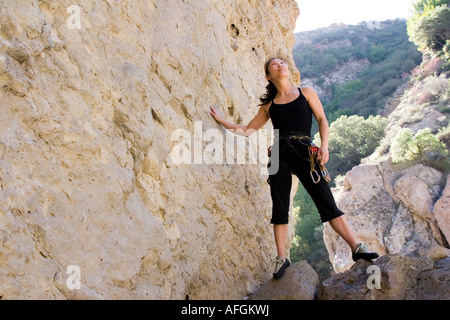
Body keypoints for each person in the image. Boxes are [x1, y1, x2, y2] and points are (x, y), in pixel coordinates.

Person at [210, 57, 378, 279]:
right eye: (274, 65)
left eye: (282, 63)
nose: (281, 65)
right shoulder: (269, 105)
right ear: (268, 76)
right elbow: (249, 129)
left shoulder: (305, 92)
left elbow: (322, 120)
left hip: (305, 151)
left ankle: (356, 247)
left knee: (326, 201)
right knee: (279, 204)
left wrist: (325, 146)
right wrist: (222, 122)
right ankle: (281, 258)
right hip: (278, 153)